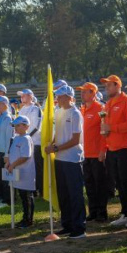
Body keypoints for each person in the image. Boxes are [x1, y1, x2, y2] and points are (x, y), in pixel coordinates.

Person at [101, 75, 127, 229]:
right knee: (119, 182)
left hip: (125, 146)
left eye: (108, 85)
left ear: (117, 85)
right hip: (112, 147)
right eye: (105, 86)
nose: (106, 88)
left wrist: (112, 128)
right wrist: (106, 132)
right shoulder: (108, 104)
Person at [45, 85, 87, 238]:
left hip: (72, 159)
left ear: (69, 97)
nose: (58, 98)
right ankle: (67, 224)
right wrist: (53, 145)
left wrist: (56, 148)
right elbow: (58, 133)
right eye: (58, 96)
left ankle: (79, 227)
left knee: (75, 193)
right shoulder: (58, 111)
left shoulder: (75, 113)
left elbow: (75, 139)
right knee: (64, 193)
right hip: (61, 159)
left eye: (61, 96)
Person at [77, 82, 110, 222]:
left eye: (85, 91)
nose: (82, 94)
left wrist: (103, 150)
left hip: (97, 153)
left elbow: (104, 133)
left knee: (100, 184)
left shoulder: (100, 109)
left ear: (93, 93)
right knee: (89, 184)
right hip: (85, 153)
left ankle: (102, 212)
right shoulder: (82, 109)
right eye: (82, 91)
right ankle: (93, 211)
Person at [7, 116, 36, 228]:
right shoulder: (17, 138)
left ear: (26, 126)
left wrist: (13, 164)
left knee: (27, 196)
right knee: (22, 196)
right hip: (17, 172)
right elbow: (12, 153)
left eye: (18, 125)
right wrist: (9, 162)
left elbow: (25, 156)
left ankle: (28, 220)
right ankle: (25, 218)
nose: (15, 127)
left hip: (26, 172)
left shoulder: (26, 139)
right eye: (15, 125)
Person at [17, 89, 43, 195]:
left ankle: (40, 189)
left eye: (24, 96)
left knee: (37, 167)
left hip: (35, 142)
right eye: (21, 96)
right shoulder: (22, 109)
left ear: (31, 97)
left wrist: (26, 137)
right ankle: (30, 188)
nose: (22, 98)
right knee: (28, 167)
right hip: (25, 142)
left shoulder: (36, 109)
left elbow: (36, 127)